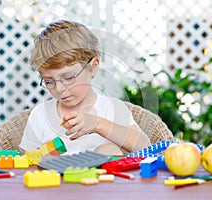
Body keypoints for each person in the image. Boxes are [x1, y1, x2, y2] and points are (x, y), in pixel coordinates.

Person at [19, 20, 151, 155]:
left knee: (109, 150)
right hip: (54, 175)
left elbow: (145, 146)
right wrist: (41, 156)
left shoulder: (112, 109)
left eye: (69, 78)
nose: (59, 88)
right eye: (49, 81)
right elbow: (25, 162)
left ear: (93, 67)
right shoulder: (40, 115)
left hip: (103, 176)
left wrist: (98, 124)